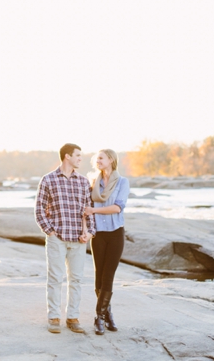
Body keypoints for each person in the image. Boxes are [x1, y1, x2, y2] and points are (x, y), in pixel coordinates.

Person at [34, 143, 96, 334]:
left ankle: (73, 318)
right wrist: (50, 232)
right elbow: (39, 210)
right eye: (78, 155)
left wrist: (90, 232)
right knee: (55, 278)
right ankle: (54, 317)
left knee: (76, 279)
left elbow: (89, 210)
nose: (80, 158)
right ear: (67, 156)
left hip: (78, 240)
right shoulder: (48, 180)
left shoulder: (83, 182)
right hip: (57, 239)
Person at [83, 149, 129, 335]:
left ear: (110, 160)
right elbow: (84, 207)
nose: (97, 160)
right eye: (96, 158)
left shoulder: (122, 182)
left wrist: (93, 211)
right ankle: (107, 314)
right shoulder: (93, 182)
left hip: (116, 233)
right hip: (98, 235)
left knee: (108, 275)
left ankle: (98, 317)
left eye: (100, 158)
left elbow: (118, 207)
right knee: (98, 276)